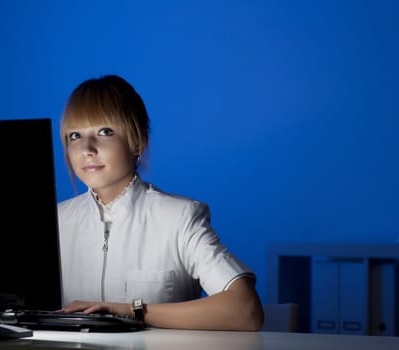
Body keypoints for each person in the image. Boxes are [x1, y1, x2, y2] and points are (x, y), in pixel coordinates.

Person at [56, 74, 264, 331]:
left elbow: (245, 310)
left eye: (105, 131)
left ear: (138, 141)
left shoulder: (180, 217)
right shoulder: (55, 222)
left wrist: (128, 311)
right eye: (75, 135)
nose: (87, 148)